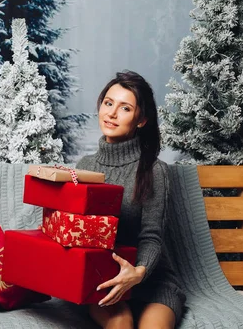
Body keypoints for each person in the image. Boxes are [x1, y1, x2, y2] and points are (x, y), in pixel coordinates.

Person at [76, 71, 185, 329]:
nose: (112, 113)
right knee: (121, 323)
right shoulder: (84, 166)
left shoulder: (153, 170)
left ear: (141, 120)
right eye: (108, 103)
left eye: (125, 108)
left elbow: (151, 236)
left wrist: (138, 272)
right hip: (103, 279)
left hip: (151, 280)